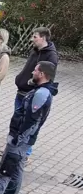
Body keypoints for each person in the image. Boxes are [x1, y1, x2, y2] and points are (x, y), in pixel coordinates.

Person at [0, 61, 57, 194]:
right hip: (25, 141)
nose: (32, 72)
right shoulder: (42, 91)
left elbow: (31, 121)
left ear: (42, 74)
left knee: (4, 171)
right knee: (17, 169)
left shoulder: (41, 94)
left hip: (20, 140)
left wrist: (16, 139)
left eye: (35, 70)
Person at [10, 27, 58, 157]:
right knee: (16, 120)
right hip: (21, 92)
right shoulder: (35, 51)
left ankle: (24, 153)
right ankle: (12, 147)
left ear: (43, 38)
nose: (32, 39)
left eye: (35, 37)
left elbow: (47, 78)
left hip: (31, 95)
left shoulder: (51, 56)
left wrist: (32, 85)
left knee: (28, 124)